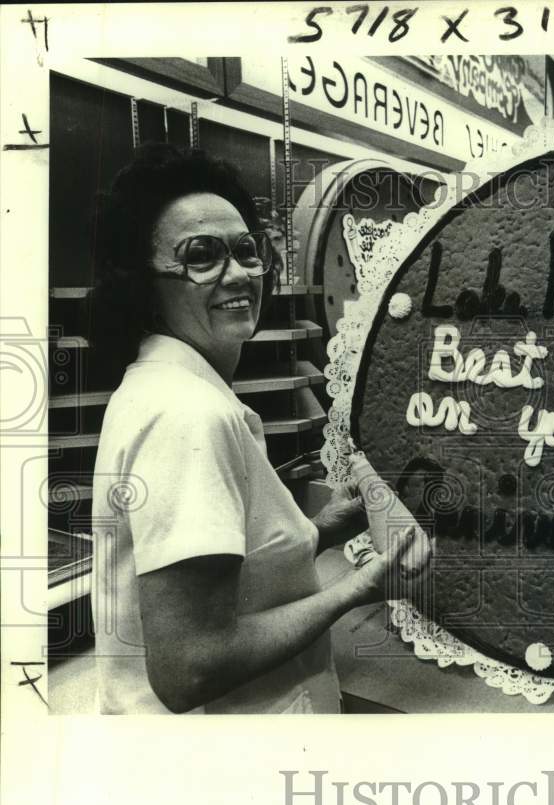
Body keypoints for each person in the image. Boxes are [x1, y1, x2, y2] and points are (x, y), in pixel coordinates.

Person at [90, 143, 431, 714]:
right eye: (202, 256)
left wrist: (322, 528)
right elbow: (189, 668)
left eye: (247, 251)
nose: (239, 274)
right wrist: (361, 588)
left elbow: (229, 576)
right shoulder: (189, 415)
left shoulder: (161, 386)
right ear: (144, 284)